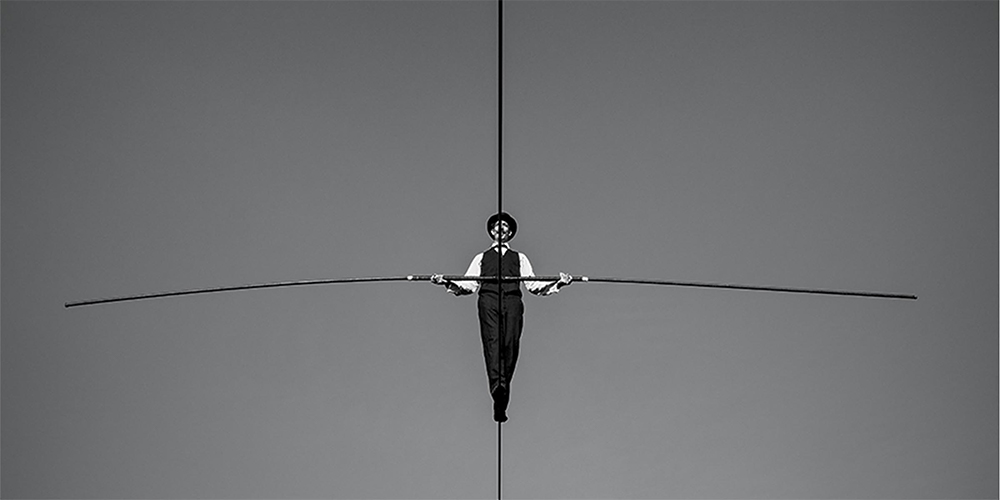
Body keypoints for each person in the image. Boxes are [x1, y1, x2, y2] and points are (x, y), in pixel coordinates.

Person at [431, 212, 572, 423]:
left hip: (513, 301)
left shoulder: (520, 258)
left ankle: (502, 397)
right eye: (497, 225)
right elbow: (468, 284)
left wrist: (559, 283)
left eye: (505, 226)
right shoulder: (481, 258)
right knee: (493, 342)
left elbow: (533, 285)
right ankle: (497, 386)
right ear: (491, 231)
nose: (501, 228)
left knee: (510, 344)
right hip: (488, 300)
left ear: (510, 232)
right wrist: (446, 282)